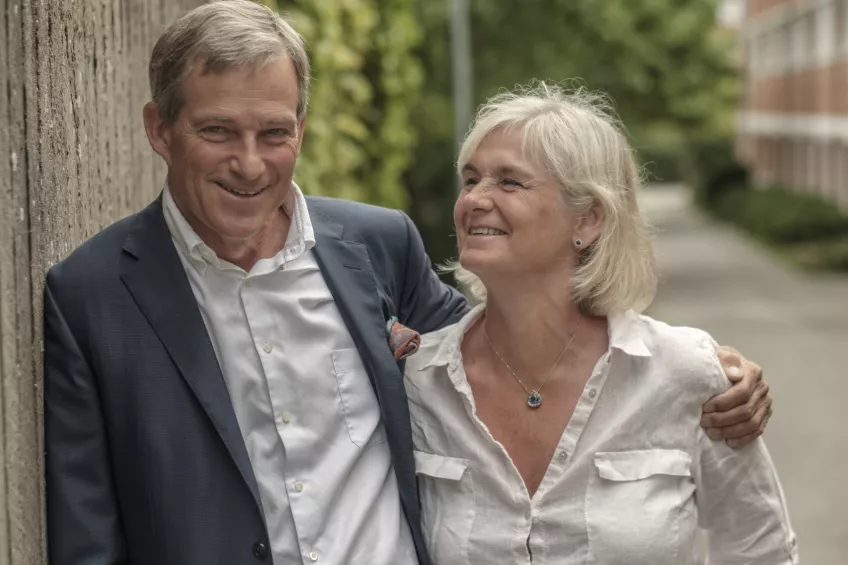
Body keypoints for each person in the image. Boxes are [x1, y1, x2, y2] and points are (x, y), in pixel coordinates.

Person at [43, 2, 771, 564]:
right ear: (158, 128)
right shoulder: (90, 294)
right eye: (216, 131)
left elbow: (516, 330)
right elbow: (87, 533)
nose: (249, 162)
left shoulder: (376, 246)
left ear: (301, 127)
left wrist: (720, 371)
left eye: (273, 132)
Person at [403, 83, 798, 565]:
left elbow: (761, 549)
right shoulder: (419, 382)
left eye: (510, 182)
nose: (475, 200)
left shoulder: (688, 375)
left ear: (587, 221)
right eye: (470, 179)